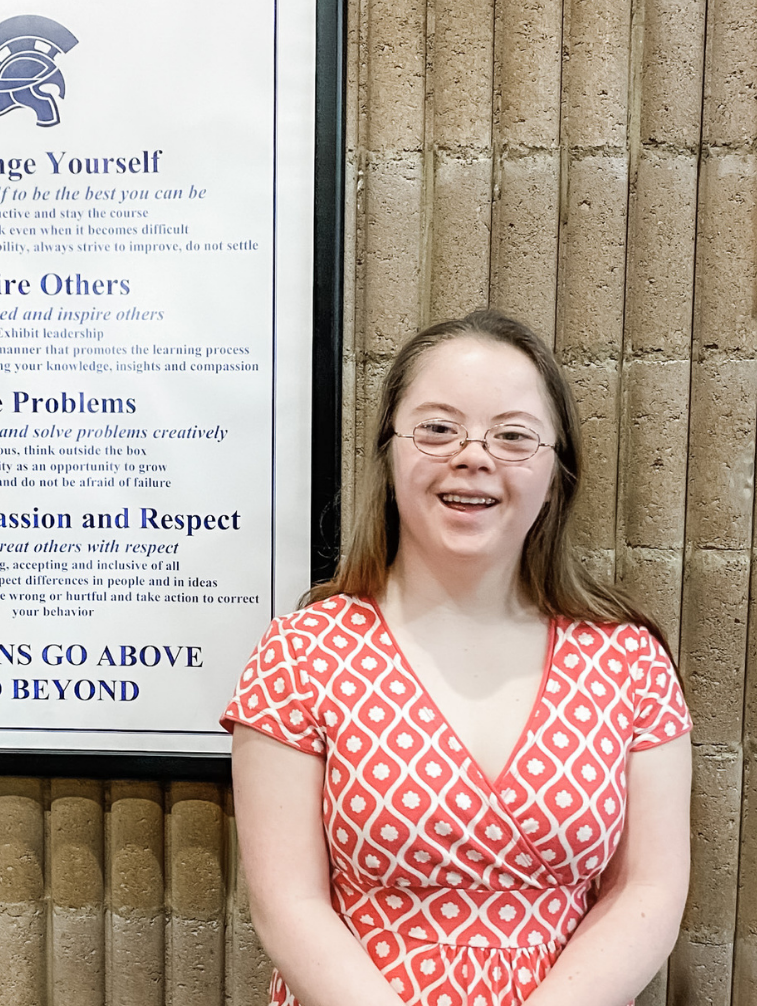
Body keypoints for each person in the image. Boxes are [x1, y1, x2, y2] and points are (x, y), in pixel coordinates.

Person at [222, 310, 691, 1006]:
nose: (474, 454)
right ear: (389, 451)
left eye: (513, 436)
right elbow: (287, 904)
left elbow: (646, 892)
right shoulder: (302, 654)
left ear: (557, 472)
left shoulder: (629, 662)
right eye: (438, 428)